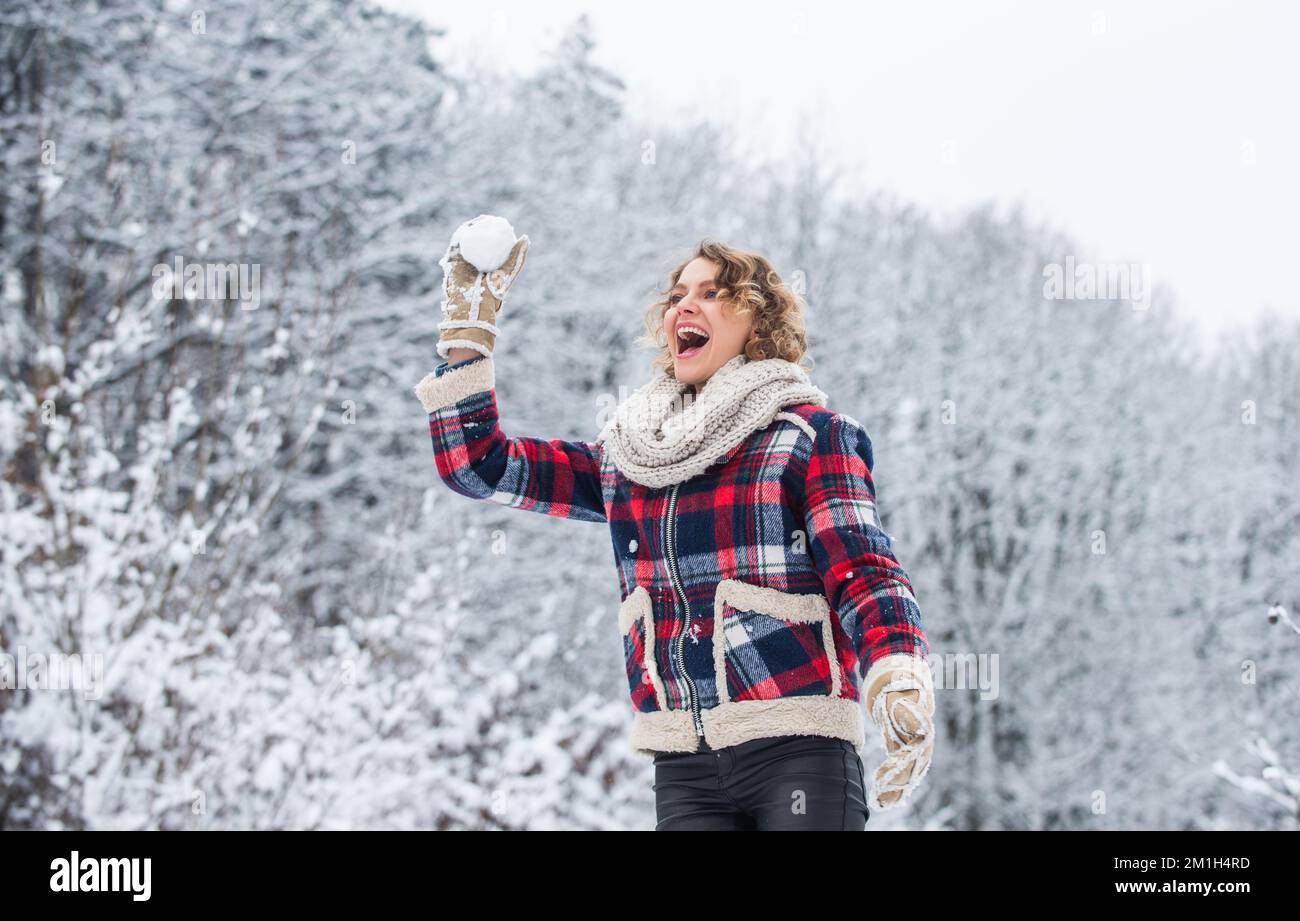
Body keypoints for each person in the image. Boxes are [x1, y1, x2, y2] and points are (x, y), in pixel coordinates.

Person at [413, 221, 935, 830]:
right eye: (677, 295)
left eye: (712, 293)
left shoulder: (808, 438)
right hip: (684, 768)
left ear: (759, 323)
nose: (684, 304)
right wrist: (466, 341)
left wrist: (898, 675)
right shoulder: (632, 459)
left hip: (799, 749)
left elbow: (863, 572)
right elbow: (481, 467)